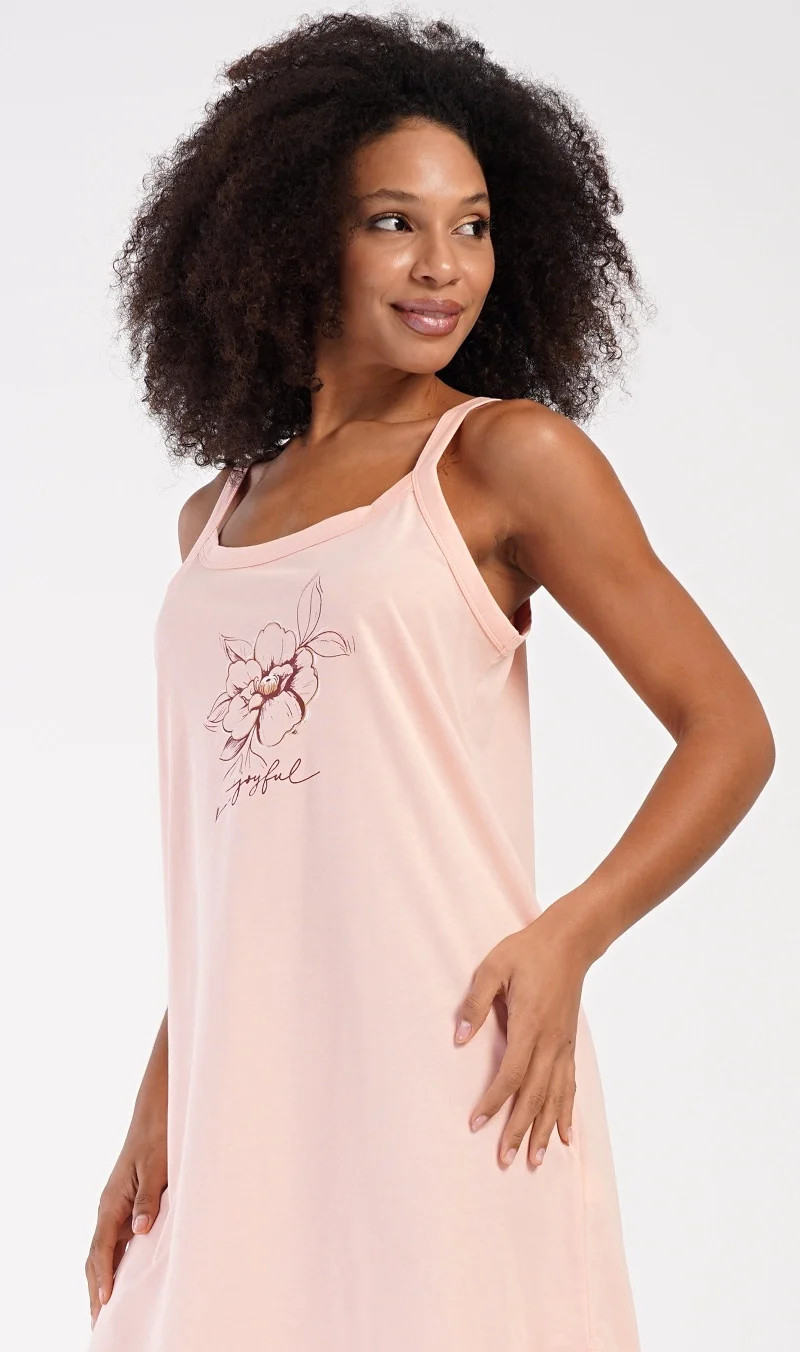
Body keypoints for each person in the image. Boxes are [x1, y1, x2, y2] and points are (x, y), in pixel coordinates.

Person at [84, 12, 775, 1350]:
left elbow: (729, 729)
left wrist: (570, 937)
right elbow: (245, 853)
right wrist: (160, 1095)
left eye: (472, 225)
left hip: (454, 1062)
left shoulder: (504, 460)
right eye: (393, 222)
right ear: (295, 235)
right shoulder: (211, 520)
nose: (443, 265)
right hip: (246, 1095)